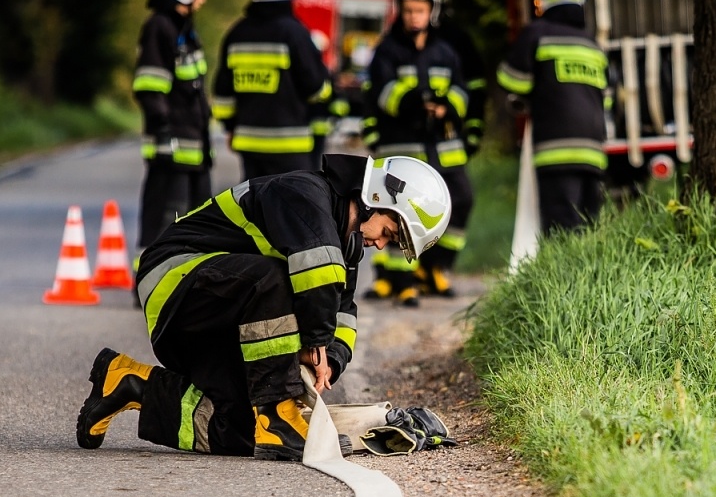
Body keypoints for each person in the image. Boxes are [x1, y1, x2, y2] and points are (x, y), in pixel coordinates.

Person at [75, 155, 452, 462]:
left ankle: (127, 382)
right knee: (273, 278)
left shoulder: (345, 245)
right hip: (174, 281)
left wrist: (330, 358)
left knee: (241, 429)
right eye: (388, 232)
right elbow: (316, 278)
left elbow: (341, 310)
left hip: (222, 316)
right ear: (378, 198)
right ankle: (278, 415)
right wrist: (312, 343)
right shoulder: (304, 194)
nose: (382, 246)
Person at [363, 0, 473, 305]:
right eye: (409, 10)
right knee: (399, 210)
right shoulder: (387, 49)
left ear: (432, 12)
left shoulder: (446, 51)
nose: (414, 17)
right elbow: (381, 92)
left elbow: (462, 91)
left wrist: (447, 107)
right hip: (403, 146)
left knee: (462, 200)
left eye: (420, 11)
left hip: (443, 147)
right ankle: (400, 280)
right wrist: (415, 102)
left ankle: (436, 268)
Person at [497, 0, 608, 234]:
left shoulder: (537, 34)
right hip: (593, 151)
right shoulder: (591, 44)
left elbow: (510, 79)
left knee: (562, 229)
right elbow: (608, 98)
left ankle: (565, 275)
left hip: (555, 151)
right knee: (589, 227)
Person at [210, 0, 333, 181]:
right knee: (292, 206)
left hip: (249, 145)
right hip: (291, 145)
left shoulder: (236, 34)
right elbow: (315, 87)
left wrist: (230, 126)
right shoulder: (295, 33)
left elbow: (223, 93)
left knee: (255, 206)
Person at [133, 0, 221, 257]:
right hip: (171, 148)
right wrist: (164, 130)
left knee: (198, 220)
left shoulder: (183, 29)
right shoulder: (160, 27)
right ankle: (151, 283)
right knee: (163, 219)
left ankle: (187, 284)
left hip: (195, 148)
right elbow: (149, 86)